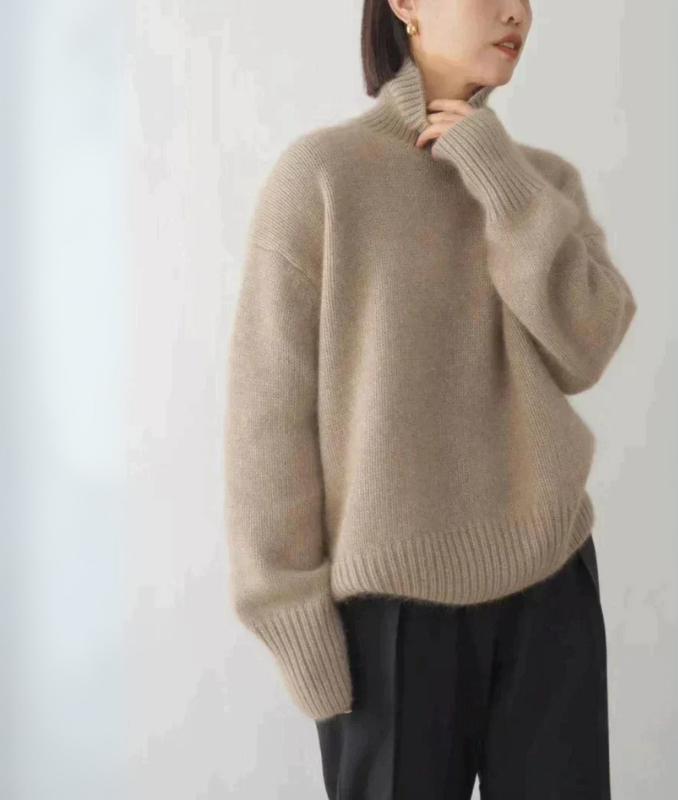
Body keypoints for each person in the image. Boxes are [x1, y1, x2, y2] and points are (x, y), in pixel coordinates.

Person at [223, 0, 637, 797]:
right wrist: (289, 615)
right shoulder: (323, 177)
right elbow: (267, 422)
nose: (517, 11)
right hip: (389, 619)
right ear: (405, 5)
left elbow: (587, 345)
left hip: (550, 587)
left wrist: (500, 181)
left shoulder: (540, 183)